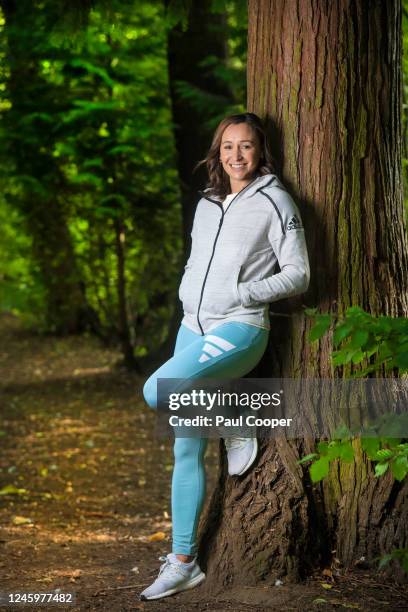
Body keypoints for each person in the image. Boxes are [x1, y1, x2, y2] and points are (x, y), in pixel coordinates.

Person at [140, 112, 310, 601]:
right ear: (218, 152)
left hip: (240, 328)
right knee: (185, 447)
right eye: (228, 146)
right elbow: (198, 262)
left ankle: (236, 414)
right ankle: (183, 562)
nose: (237, 156)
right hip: (192, 326)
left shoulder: (276, 201)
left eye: (247, 146)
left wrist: (244, 293)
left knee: (157, 389)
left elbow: (299, 274)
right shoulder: (208, 203)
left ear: (262, 152)